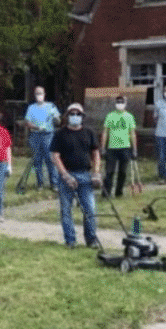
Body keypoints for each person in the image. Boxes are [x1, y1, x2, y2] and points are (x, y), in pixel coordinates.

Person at [50, 103, 102, 249]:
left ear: (82, 116)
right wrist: (65, 175)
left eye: (78, 114)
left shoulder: (89, 133)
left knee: (90, 209)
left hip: (85, 175)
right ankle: (70, 240)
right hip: (67, 175)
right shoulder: (60, 134)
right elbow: (55, 155)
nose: (75, 116)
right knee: (66, 210)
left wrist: (96, 172)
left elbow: (96, 153)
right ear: (67, 116)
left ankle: (91, 239)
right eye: (72, 114)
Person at [24, 86, 61, 190]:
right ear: (34, 95)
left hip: (48, 135)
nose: (39, 95)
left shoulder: (51, 106)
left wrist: (55, 117)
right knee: (37, 160)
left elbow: (58, 121)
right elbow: (27, 122)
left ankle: (54, 183)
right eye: (37, 93)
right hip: (35, 135)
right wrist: (37, 127)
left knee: (50, 159)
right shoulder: (31, 108)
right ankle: (40, 183)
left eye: (40, 93)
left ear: (44, 94)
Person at [101, 95, 137, 198]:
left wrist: (134, 149)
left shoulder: (129, 117)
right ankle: (106, 192)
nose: (120, 104)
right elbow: (105, 132)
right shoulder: (110, 116)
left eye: (122, 102)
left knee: (123, 172)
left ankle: (119, 192)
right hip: (112, 148)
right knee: (109, 172)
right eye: (118, 102)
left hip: (125, 147)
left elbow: (132, 133)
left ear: (125, 103)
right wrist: (103, 147)